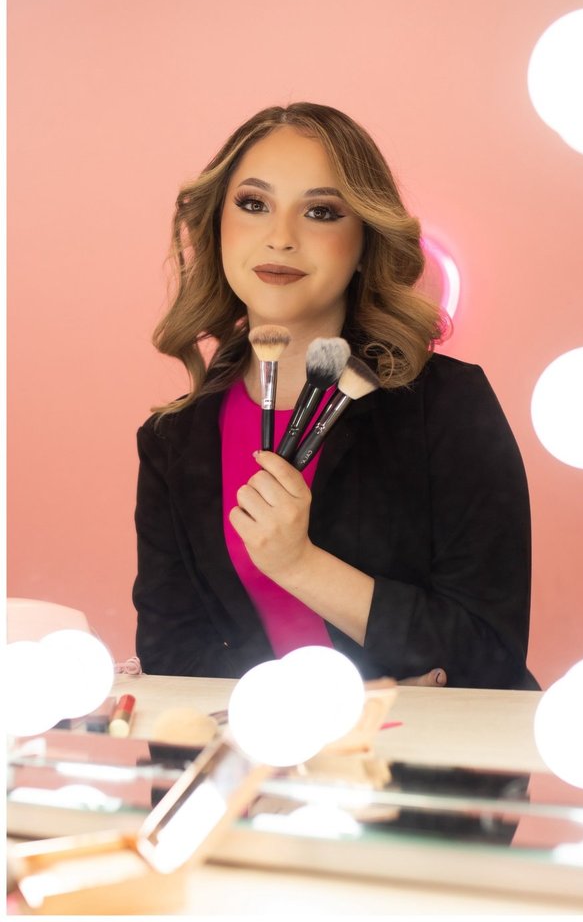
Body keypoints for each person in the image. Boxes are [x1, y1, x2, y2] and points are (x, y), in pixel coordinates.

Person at [133, 104, 536, 689]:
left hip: (429, 769)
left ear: (364, 241)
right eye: (253, 205)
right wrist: (317, 708)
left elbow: (489, 651)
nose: (280, 238)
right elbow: (172, 654)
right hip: (258, 770)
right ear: (217, 224)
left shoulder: (446, 406)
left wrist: (299, 564)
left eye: (320, 212)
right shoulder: (173, 441)